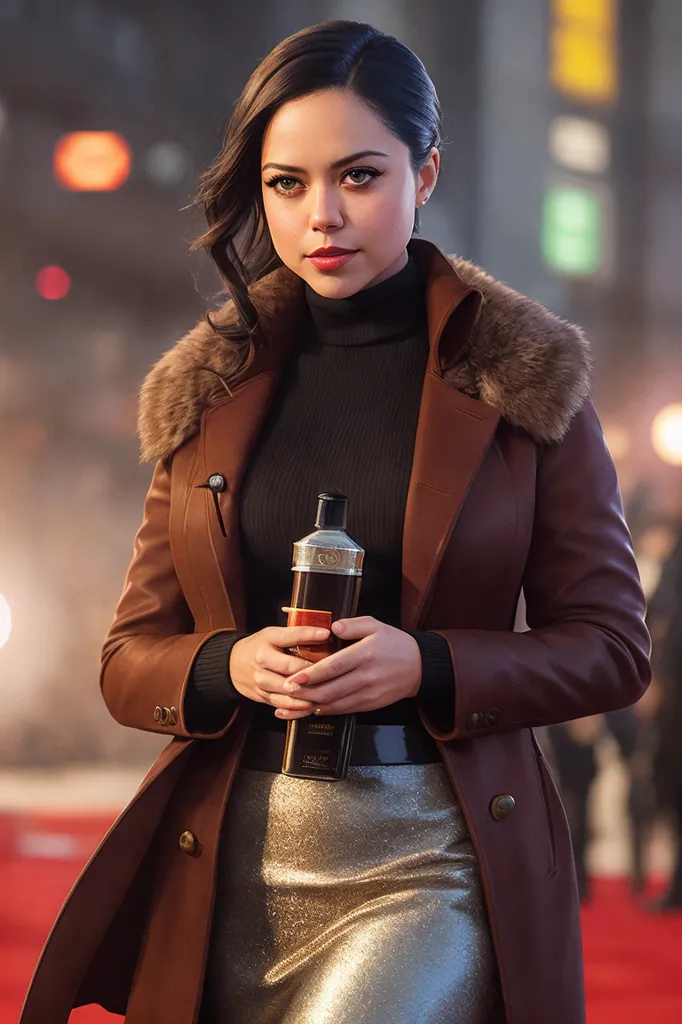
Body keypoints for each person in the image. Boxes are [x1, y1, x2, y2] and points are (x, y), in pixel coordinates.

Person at [20, 20, 651, 1024]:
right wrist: (228, 665)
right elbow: (127, 657)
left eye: (358, 176)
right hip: (232, 856)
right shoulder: (207, 388)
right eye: (286, 183)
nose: (322, 216)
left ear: (425, 171)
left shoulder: (522, 382)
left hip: (428, 860)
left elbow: (613, 649)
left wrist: (429, 665)